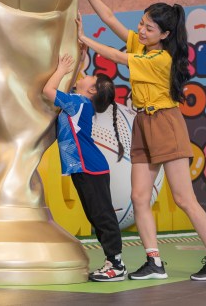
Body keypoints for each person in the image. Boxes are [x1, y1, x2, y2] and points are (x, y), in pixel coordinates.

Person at [78, 0, 206, 282]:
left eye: (149, 28)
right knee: (139, 197)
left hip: (165, 123)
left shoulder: (161, 58)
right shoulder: (142, 45)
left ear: (165, 34)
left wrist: (84, 38)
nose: (141, 30)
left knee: (183, 198)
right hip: (143, 123)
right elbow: (109, 18)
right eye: (142, 23)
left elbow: (118, 57)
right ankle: (154, 262)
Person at [42, 54, 127, 282]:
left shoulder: (79, 103)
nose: (85, 75)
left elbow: (48, 90)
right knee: (95, 216)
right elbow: (75, 78)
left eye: (91, 77)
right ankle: (113, 262)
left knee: (102, 216)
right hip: (84, 168)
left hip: (90, 168)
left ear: (92, 90)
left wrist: (61, 69)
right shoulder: (79, 101)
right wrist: (80, 52)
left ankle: (116, 265)